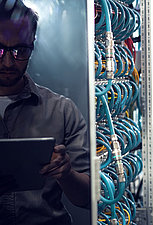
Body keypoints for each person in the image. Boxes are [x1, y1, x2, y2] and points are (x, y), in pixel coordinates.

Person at [0, 1, 90, 224]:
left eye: (20, 50)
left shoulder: (61, 110)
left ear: (33, 45)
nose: (8, 61)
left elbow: (87, 197)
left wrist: (66, 173)